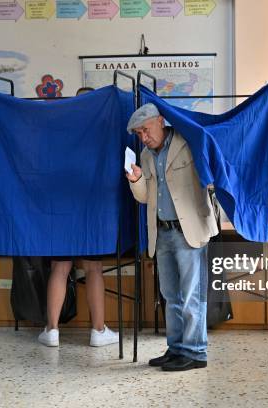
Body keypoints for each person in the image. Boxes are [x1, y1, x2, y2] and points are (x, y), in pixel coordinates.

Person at [125, 103, 218, 371]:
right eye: (139, 133)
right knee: (170, 295)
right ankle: (177, 348)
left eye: (146, 130)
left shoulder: (188, 141)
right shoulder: (145, 156)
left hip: (189, 230)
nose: (144, 137)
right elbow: (144, 198)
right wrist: (136, 180)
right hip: (162, 231)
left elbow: (209, 172)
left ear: (160, 121)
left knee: (191, 295)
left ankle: (195, 352)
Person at [37, 86, 119, 348]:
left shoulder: (59, 132)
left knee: (60, 268)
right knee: (93, 268)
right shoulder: (104, 133)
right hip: (93, 211)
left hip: (60, 210)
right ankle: (98, 331)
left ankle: (52, 330)